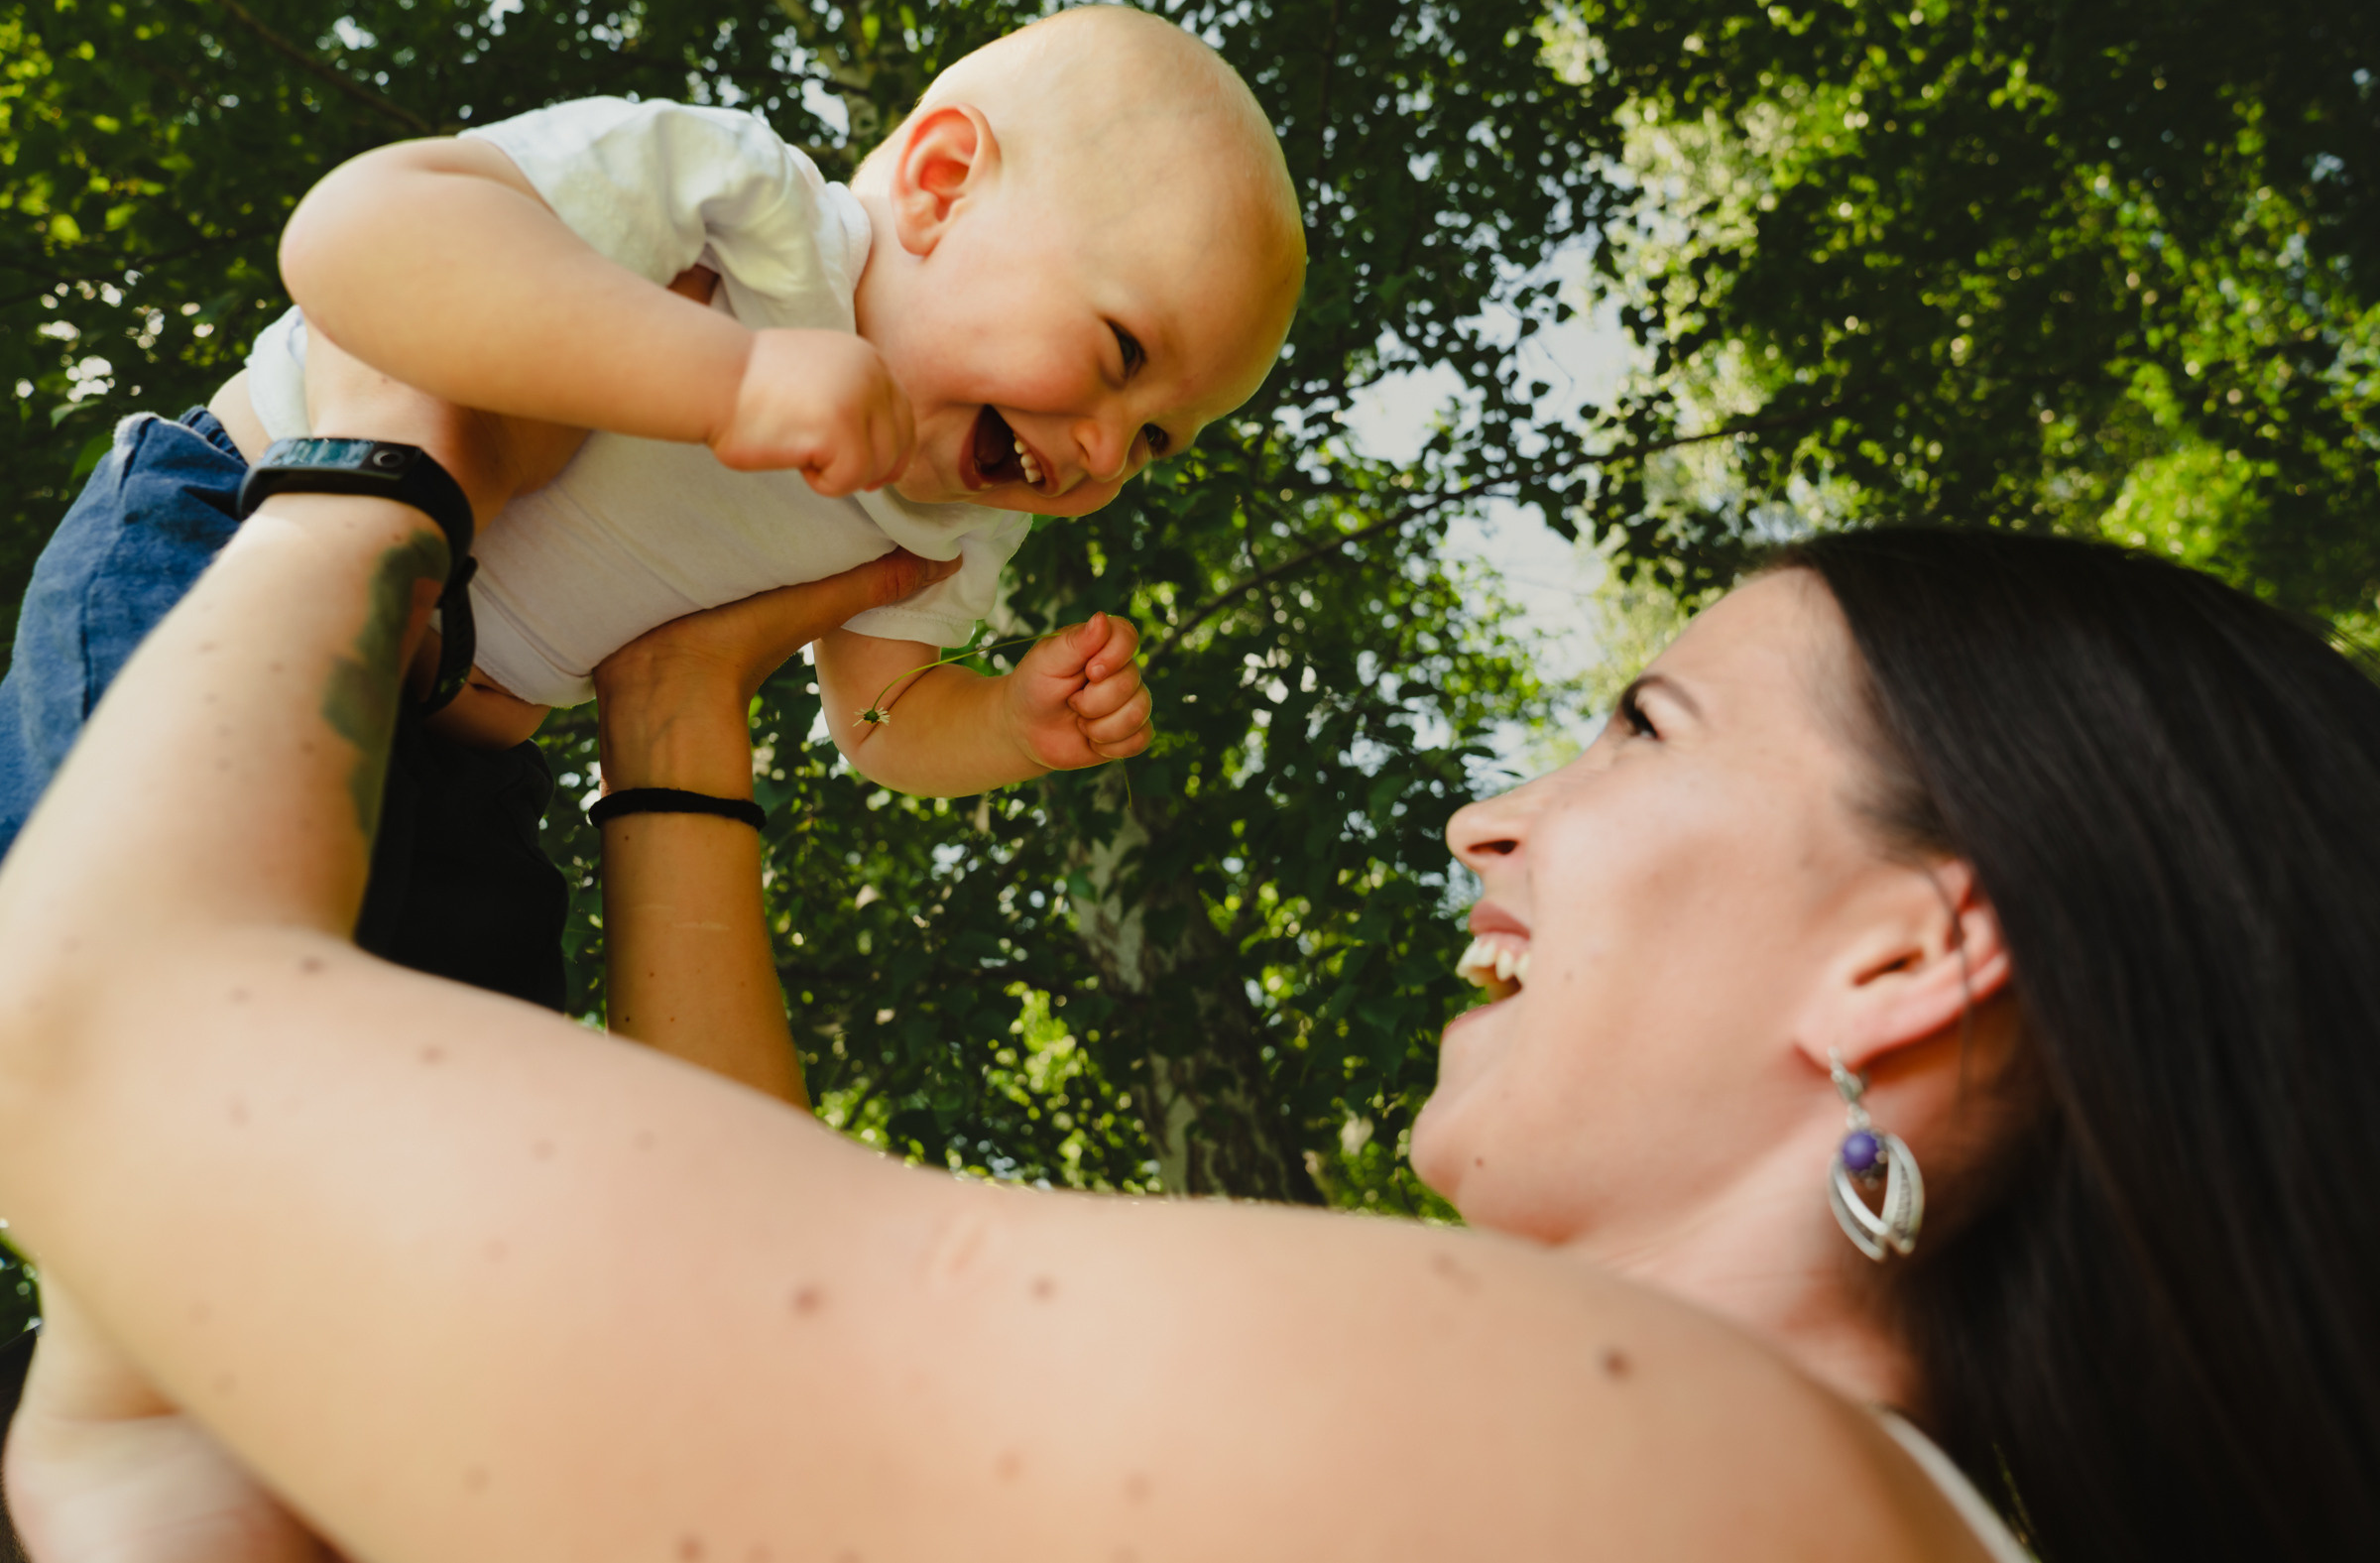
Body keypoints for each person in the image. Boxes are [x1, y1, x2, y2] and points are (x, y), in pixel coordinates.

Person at [2, 497, 2376, 1559]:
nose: (1486, 819)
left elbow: (87, 1022)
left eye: (1643, 729)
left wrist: (352, 463)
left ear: (1904, 957)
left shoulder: (1657, 1472)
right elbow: (775, 1332)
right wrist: (682, 710)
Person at [0, 4, 1301, 1002]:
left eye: (1158, 443)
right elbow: (360, 237)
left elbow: (880, 719)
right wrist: (727, 375)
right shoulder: (741, 212)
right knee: (131, 939)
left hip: (455, 759)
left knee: (464, 1080)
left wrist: (1010, 725)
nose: (1103, 453)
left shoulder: (952, 520)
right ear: (942, 183)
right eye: (1122, 356)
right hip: (225, 540)